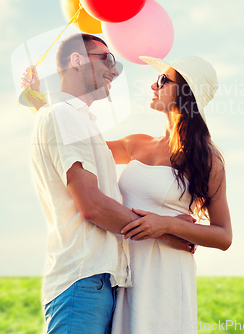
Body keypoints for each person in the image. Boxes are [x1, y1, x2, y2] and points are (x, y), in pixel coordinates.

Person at [23, 33, 194, 334]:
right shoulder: (64, 116)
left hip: (97, 281)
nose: (114, 70)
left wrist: (39, 102)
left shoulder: (75, 120)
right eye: (108, 59)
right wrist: (163, 231)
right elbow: (91, 206)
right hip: (82, 280)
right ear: (76, 60)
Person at [107, 55, 232, 334]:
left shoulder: (206, 157)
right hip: (125, 271)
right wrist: (42, 105)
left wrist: (167, 225)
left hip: (167, 275)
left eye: (164, 80)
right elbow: (78, 147)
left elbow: (224, 236)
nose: (154, 85)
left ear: (186, 92)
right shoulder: (135, 143)